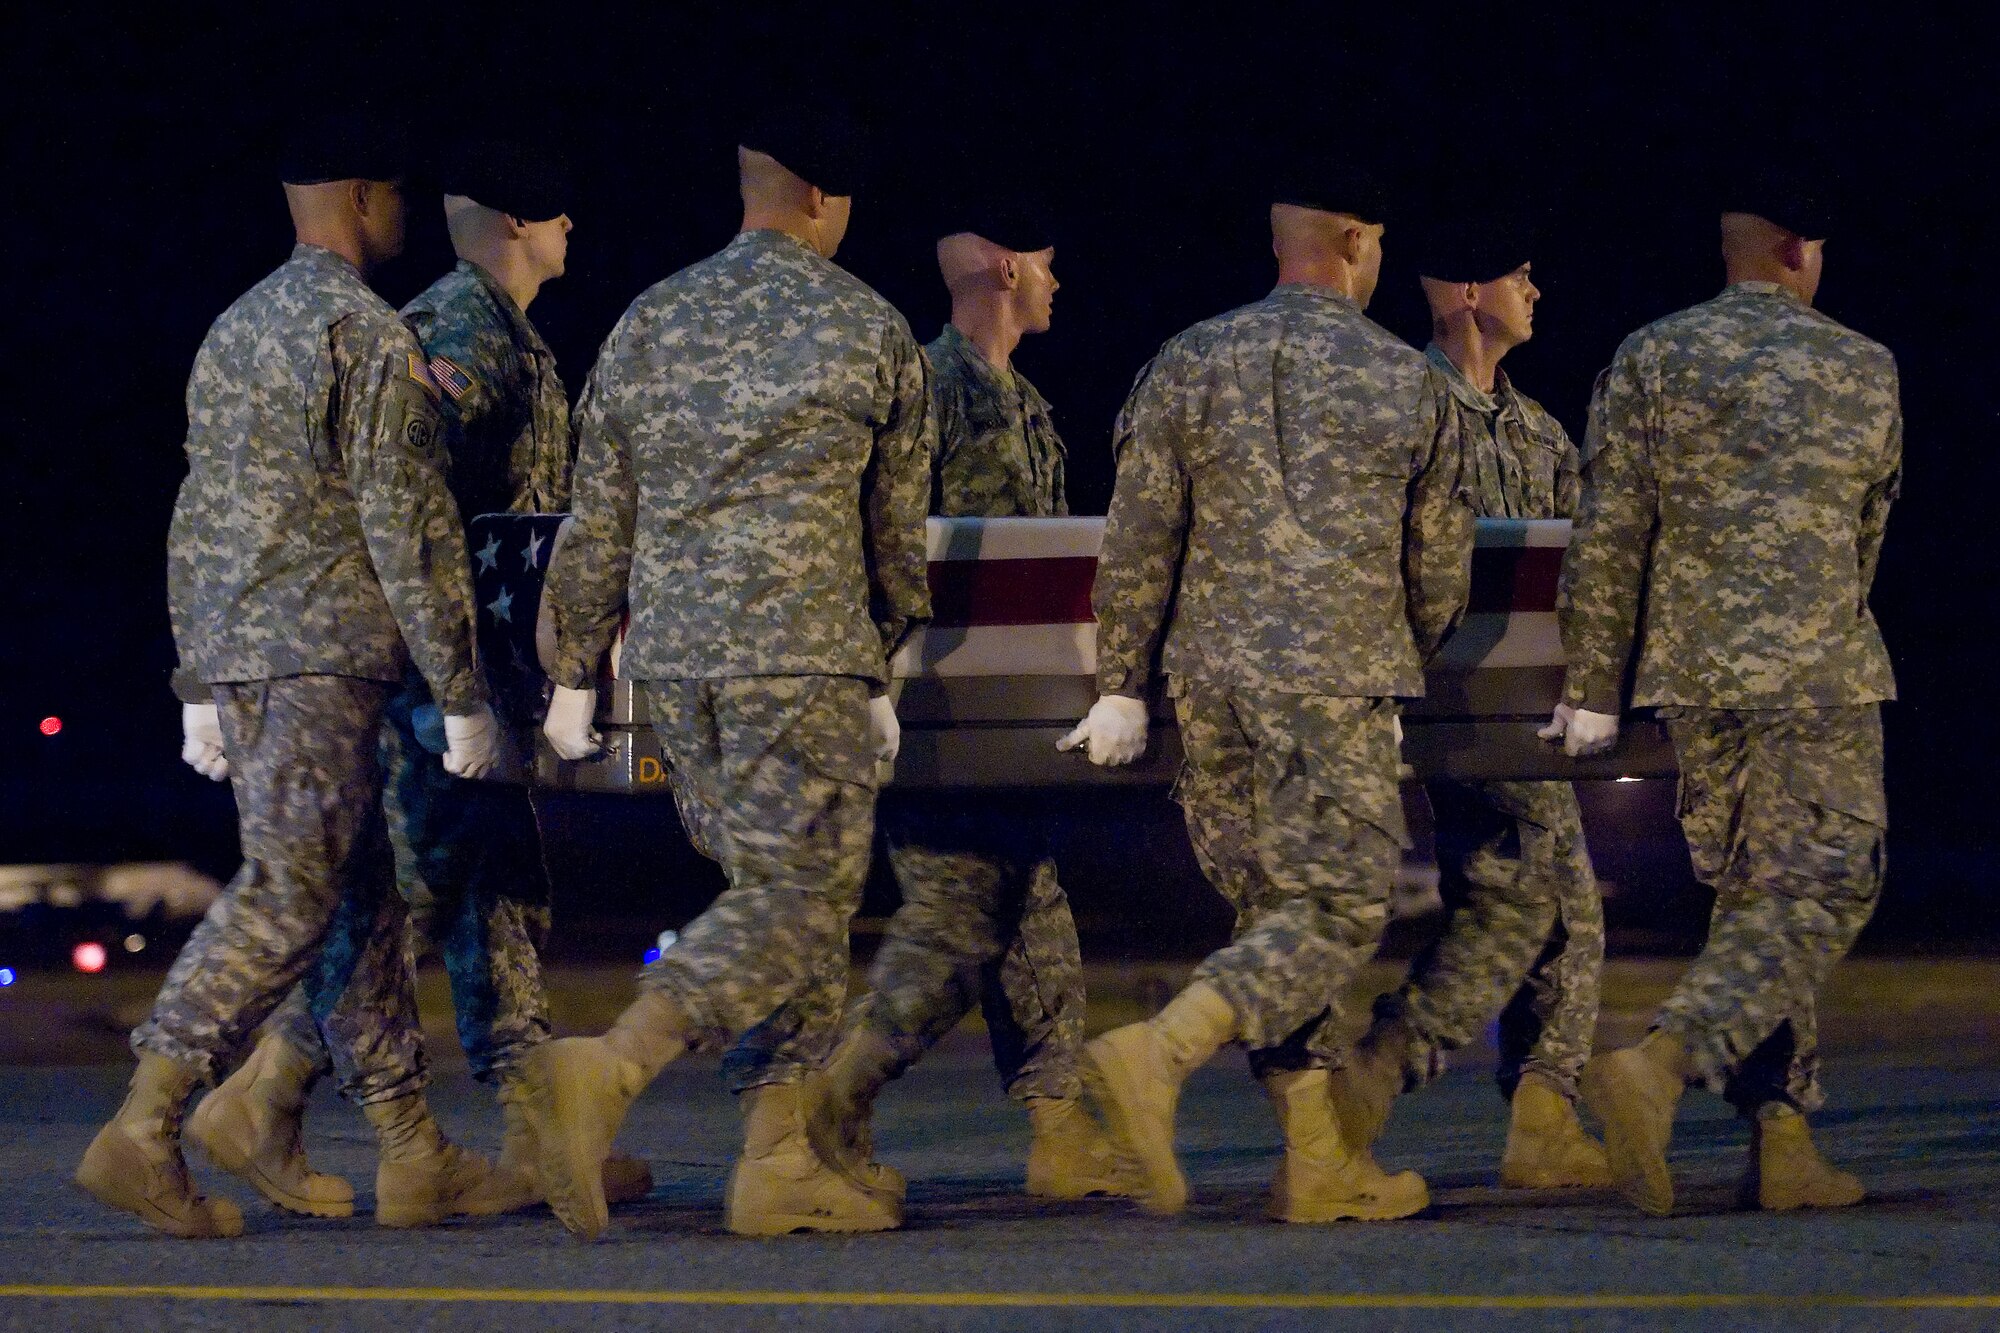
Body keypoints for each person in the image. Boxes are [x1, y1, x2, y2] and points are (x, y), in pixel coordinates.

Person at [195, 139, 649, 1221]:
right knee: (484, 888)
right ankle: (534, 1133)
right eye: (554, 214)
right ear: (512, 224)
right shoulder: (453, 332)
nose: (570, 228)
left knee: (436, 892)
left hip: (454, 670)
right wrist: (448, 687)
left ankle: (263, 1099)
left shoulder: (497, 333)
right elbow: (400, 502)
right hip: (421, 677)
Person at [76, 113, 500, 1237]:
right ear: (363, 199)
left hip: (254, 651)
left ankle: (411, 1144)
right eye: (395, 194)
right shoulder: (363, 335)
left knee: (357, 891)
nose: (403, 212)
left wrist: (199, 679)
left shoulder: (234, 330)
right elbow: (406, 522)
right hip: (321, 653)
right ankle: (147, 1123)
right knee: (292, 890)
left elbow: (197, 514)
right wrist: (459, 689)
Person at [520, 110, 933, 1240]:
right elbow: (892, 532)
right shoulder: (867, 326)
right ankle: (611, 1065)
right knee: (800, 901)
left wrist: (573, 667)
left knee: (769, 899)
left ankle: (777, 1158)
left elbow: (597, 515)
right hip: (800, 651)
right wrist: (883, 651)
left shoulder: (651, 318)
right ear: (819, 196)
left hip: (676, 664)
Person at [1059, 164, 1473, 1221]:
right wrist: (1388, 649)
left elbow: (1137, 539)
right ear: (1349, 240)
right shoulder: (1406, 378)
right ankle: (1160, 1049)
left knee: (1274, 921)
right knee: (1334, 906)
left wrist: (1121, 683)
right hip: (1331, 679)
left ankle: (1317, 1161)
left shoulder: (1186, 360)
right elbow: (1437, 571)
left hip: (1208, 685)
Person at [1547, 167, 1901, 1216]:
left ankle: (1780, 1137)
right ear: (1799, 250)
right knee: (1825, 883)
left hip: (1691, 673)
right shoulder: (1859, 365)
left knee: (1753, 902)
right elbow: (1865, 530)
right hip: (1811, 665)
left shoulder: (1652, 354)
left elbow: (1607, 534)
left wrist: (1593, 682)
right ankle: (1659, 1064)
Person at [808, 207, 1122, 1203]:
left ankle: (1057, 1124)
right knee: (952, 918)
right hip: (933, 704)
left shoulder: (1022, 403)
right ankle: (834, 1097)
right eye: (1047, 265)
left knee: (1031, 903)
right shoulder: (928, 389)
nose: (1057, 284)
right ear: (1004, 266)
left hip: (1008, 710)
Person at [1328, 214, 1612, 1190]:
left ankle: (1537, 1115)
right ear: (1462, 295)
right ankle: (1386, 1066)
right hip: (1426, 695)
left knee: (1556, 894)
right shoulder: (1403, 405)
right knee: (1531, 888)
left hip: (1518, 707)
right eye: (1516, 275)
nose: (1533, 291)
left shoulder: (1537, 434)